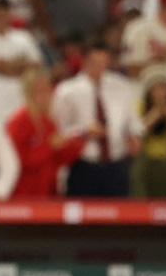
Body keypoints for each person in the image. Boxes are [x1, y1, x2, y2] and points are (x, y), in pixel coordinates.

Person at [51, 44, 144, 196]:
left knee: (119, 214)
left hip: (117, 164)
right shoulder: (67, 91)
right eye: (95, 63)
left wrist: (135, 135)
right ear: (85, 61)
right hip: (84, 164)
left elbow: (132, 118)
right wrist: (83, 132)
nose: (100, 68)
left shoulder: (121, 85)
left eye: (103, 63)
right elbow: (57, 130)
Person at [7, 67, 86, 197]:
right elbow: (17, 161)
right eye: (39, 91)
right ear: (29, 93)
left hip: (48, 192)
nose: (45, 96)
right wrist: (49, 146)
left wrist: (81, 139)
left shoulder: (49, 121)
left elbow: (58, 158)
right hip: (26, 194)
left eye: (47, 90)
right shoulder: (19, 121)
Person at [130, 76, 166, 197]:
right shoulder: (140, 107)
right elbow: (138, 130)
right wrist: (156, 113)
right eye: (158, 88)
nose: (162, 93)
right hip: (144, 158)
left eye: (165, 88)